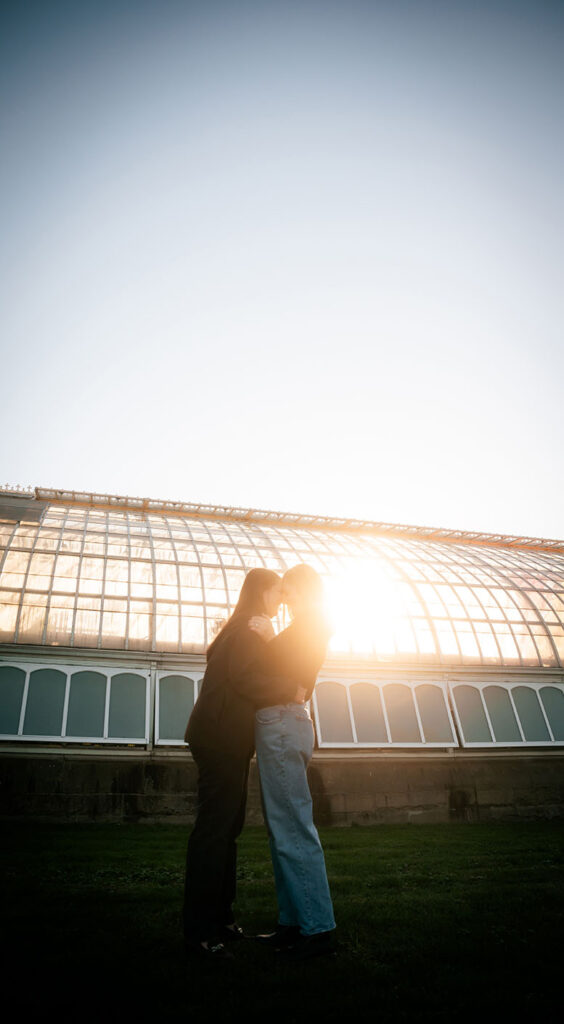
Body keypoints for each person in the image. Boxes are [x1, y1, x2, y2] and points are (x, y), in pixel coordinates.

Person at [183, 567, 301, 959]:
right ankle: (201, 929)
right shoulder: (252, 626)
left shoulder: (239, 627)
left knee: (225, 830)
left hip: (222, 740)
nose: (281, 600)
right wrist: (292, 689)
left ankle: (221, 918)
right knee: (215, 831)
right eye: (277, 593)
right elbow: (247, 677)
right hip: (220, 740)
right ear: (261, 593)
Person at [249, 563, 336, 960]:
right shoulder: (307, 624)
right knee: (281, 827)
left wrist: (267, 640)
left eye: (288, 592)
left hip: (284, 720)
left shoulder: (310, 624)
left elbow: (292, 677)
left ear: (303, 590)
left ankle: (316, 929)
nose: (282, 599)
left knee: (292, 828)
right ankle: (292, 921)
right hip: (285, 721)